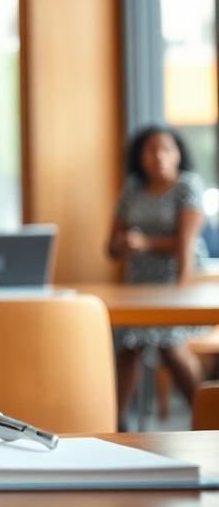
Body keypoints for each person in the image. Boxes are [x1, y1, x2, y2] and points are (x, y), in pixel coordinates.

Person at [108, 125, 207, 420]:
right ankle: (115, 423)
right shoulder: (132, 190)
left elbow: (185, 248)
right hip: (138, 286)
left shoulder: (187, 186)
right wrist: (124, 243)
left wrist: (177, 299)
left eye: (166, 149)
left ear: (178, 154)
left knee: (169, 346)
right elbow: (110, 249)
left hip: (177, 281)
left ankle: (207, 415)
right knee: (128, 346)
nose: (159, 157)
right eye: (150, 150)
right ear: (140, 157)